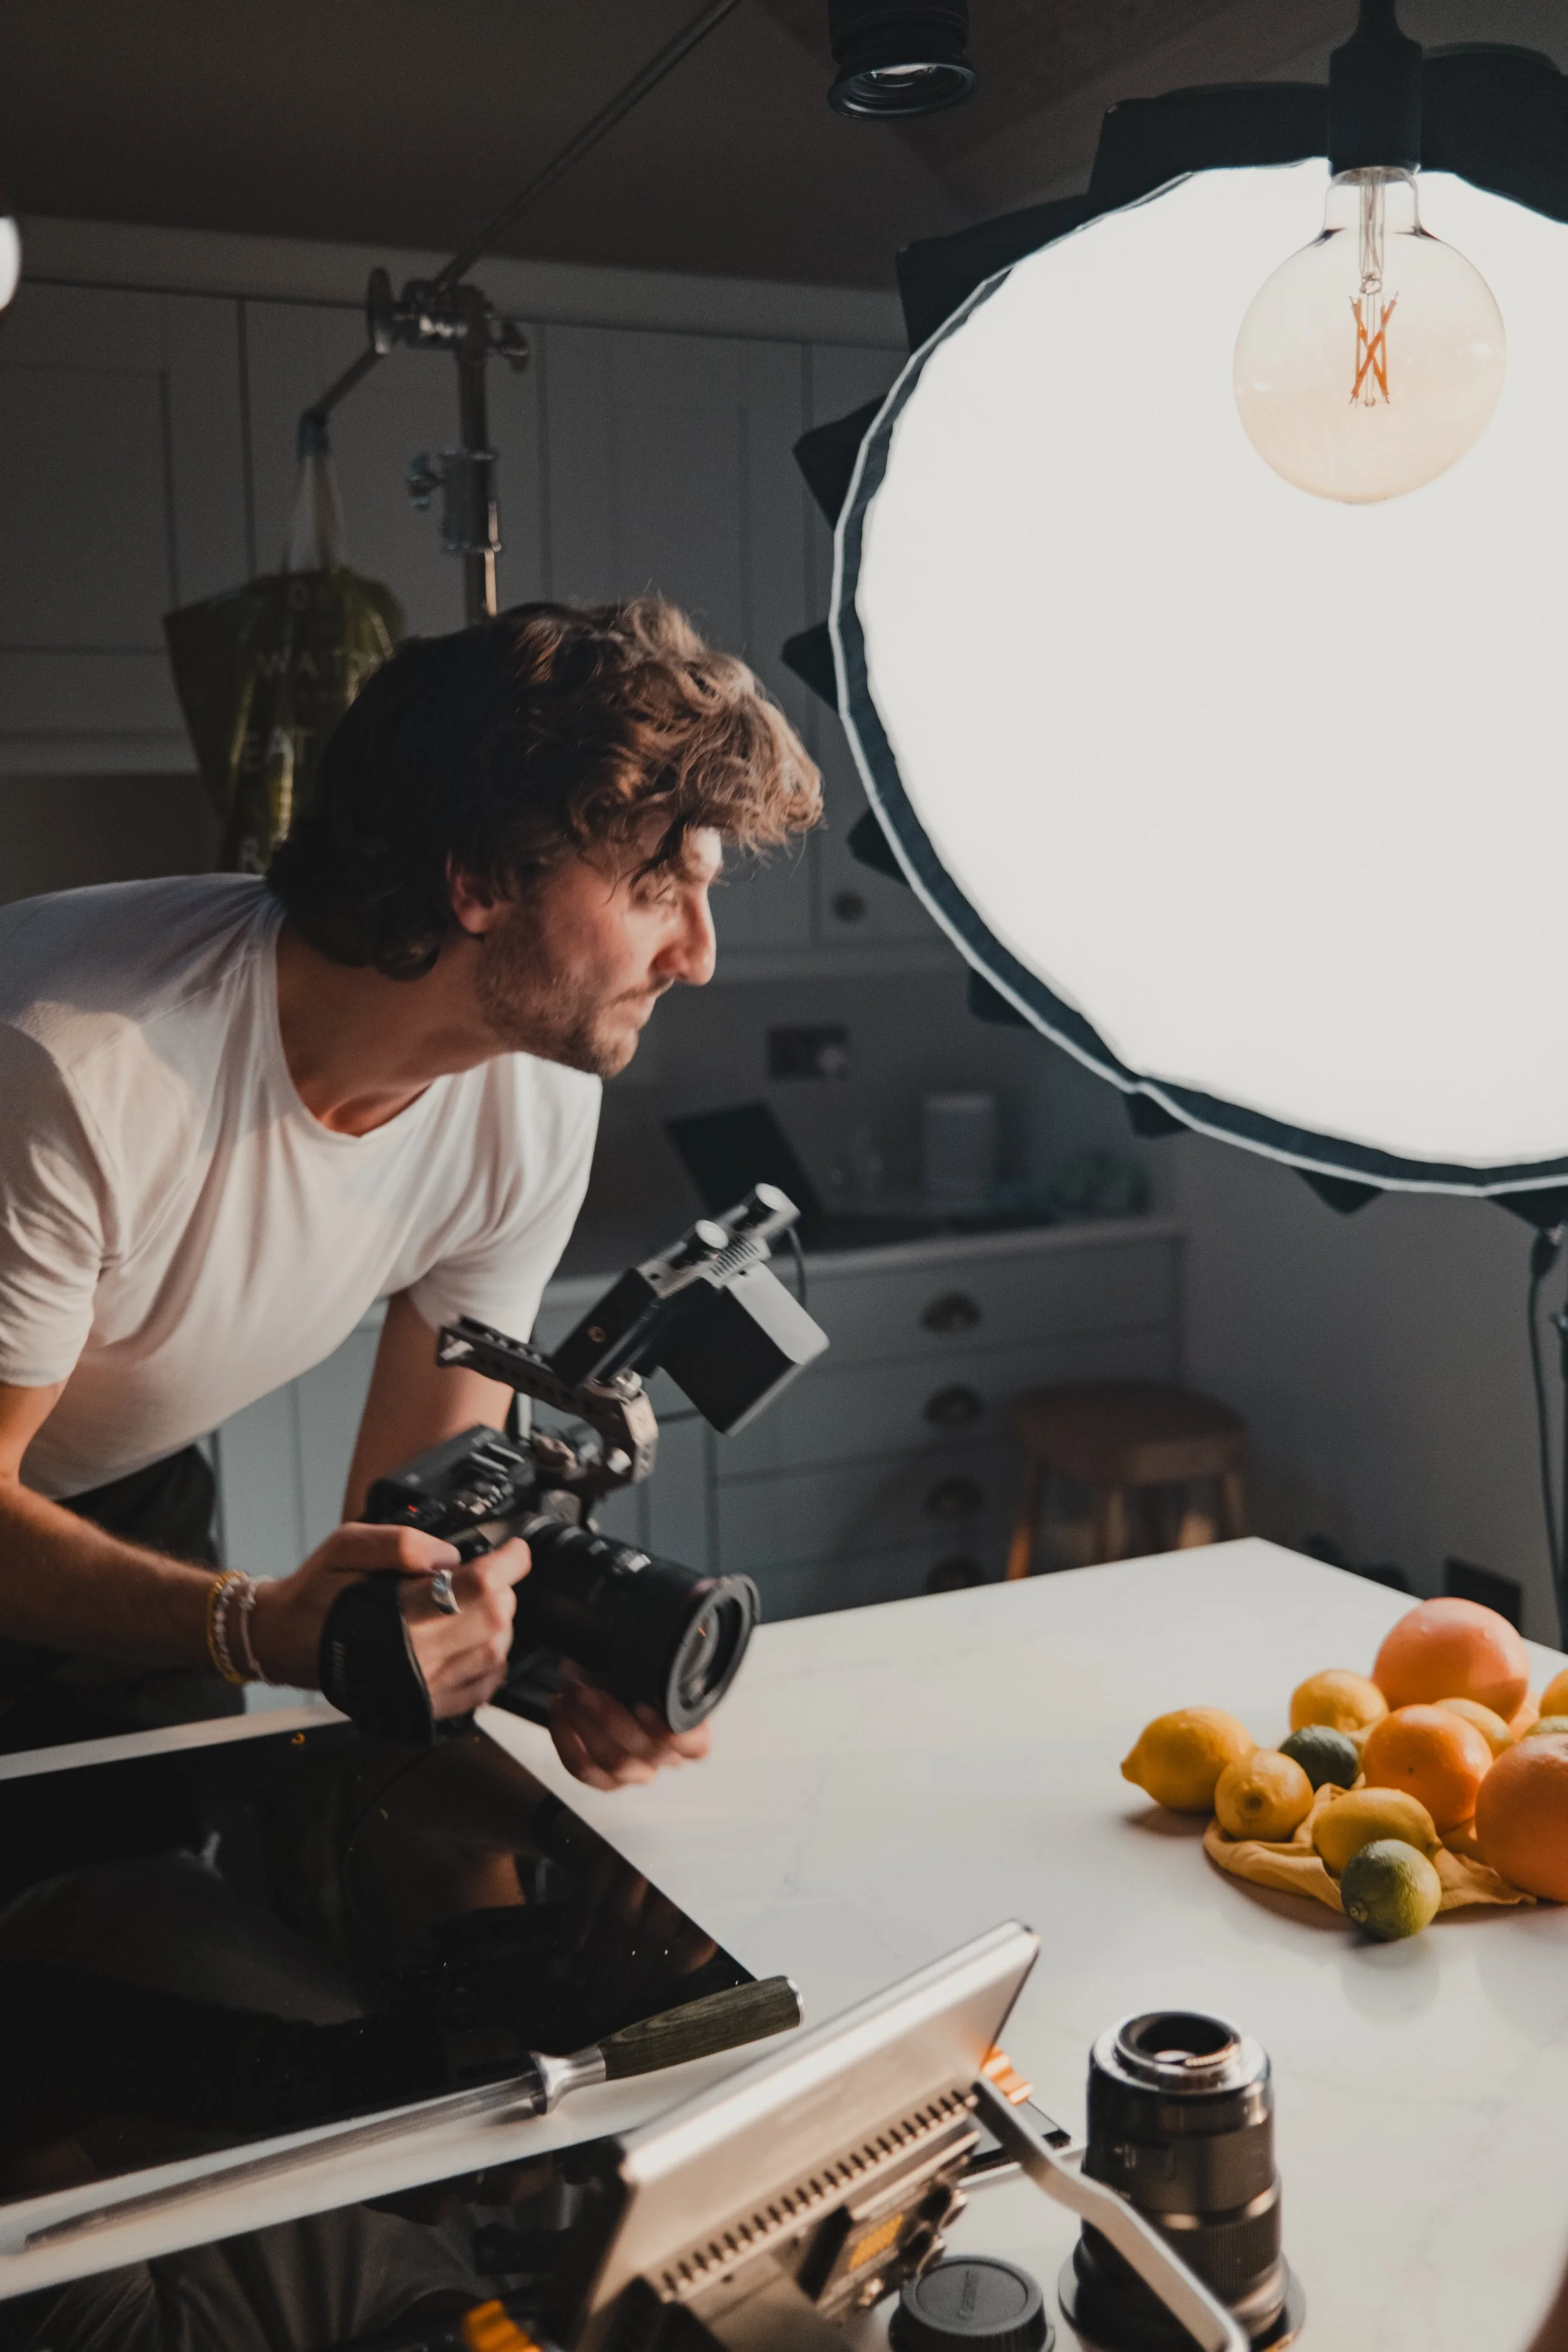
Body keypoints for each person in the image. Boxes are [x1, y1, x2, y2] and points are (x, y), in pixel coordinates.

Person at [0, 596, 820, 1783]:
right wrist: (251, 1623)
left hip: (113, 1489)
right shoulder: (78, 1068)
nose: (698, 954)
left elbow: (424, 1520)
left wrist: (542, 1661)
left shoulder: (534, 1092)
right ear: (480, 882)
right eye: (655, 890)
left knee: (146, 1870)